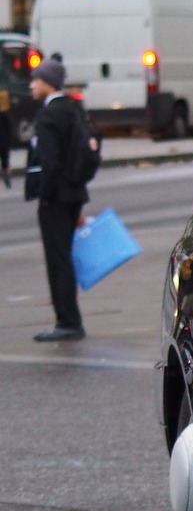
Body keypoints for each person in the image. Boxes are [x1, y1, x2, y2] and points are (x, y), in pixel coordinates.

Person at [26, 52, 89, 341]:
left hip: (56, 197)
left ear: (48, 83)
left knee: (57, 259)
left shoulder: (49, 115)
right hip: (73, 193)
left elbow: (50, 162)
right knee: (64, 256)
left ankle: (67, 321)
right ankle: (69, 318)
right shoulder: (72, 109)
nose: (31, 85)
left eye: (35, 80)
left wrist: (45, 195)